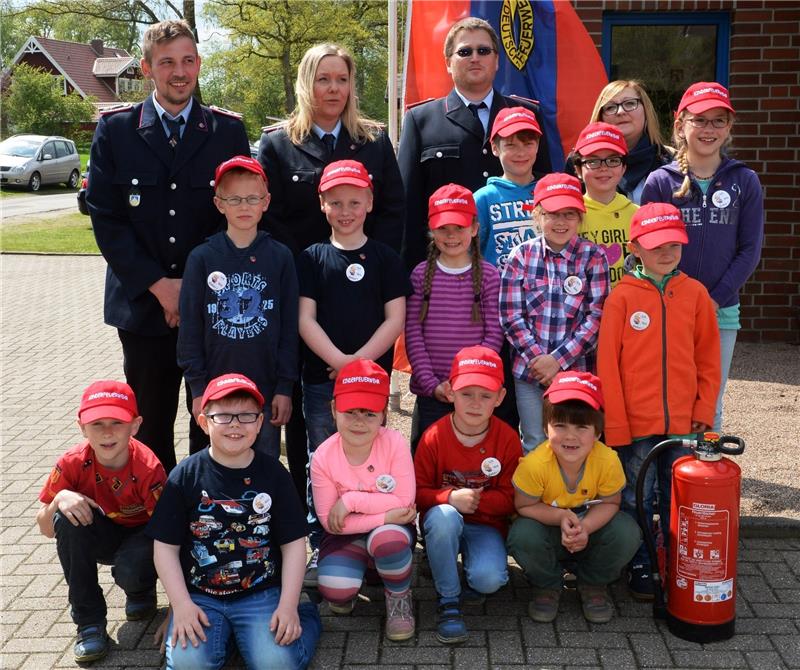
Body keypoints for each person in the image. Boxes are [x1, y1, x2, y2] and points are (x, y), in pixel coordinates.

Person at [87, 19, 250, 472]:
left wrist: (192, 288)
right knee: (152, 425)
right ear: (146, 69)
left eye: (188, 61)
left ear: (198, 64)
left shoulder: (226, 132)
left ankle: (208, 517)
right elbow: (108, 220)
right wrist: (160, 286)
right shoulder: (116, 131)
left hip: (215, 308)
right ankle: (158, 529)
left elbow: (239, 213)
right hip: (143, 308)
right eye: (167, 63)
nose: (180, 72)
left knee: (214, 420)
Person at [258, 42, 405, 502]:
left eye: (341, 79)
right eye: (324, 79)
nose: (333, 88)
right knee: (309, 412)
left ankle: (372, 498)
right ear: (307, 83)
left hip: (363, 293)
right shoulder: (280, 143)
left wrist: (369, 266)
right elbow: (270, 217)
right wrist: (307, 270)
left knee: (364, 411)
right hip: (303, 290)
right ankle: (314, 510)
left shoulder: (374, 140)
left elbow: (393, 212)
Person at [146, 374, 321, 670]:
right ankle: (230, 639)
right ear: (204, 422)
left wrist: (288, 606)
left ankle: (306, 614)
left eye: (246, 415)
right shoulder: (185, 476)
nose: (236, 424)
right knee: (189, 665)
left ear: (260, 422)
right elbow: (164, 548)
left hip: (260, 592)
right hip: (200, 596)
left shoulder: (274, 474)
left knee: (276, 664)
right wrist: (181, 606)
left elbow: (293, 545)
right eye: (223, 416)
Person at [597, 202, 721, 600]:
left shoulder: (696, 295)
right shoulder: (622, 297)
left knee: (676, 495)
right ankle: (640, 560)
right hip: (636, 425)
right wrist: (616, 422)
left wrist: (703, 411)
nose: (666, 252)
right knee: (636, 493)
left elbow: (708, 360)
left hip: (685, 425)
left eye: (674, 244)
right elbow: (608, 367)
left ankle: (675, 560)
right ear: (634, 247)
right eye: (656, 245)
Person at [297, 159, 411, 584]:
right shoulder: (310, 258)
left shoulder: (384, 258)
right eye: (336, 202)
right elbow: (304, 318)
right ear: (322, 204)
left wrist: (358, 364)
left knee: (371, 455)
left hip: (370, 383)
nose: (346, 211)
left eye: (354, 202)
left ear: (369, 202)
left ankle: (378, 527)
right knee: (322, 458)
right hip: (320, 381)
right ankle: (322, 540)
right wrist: (341, 364)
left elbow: (394, 319)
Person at [642, 82, 763, 432]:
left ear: (728, 128)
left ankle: (704, 482)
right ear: (681, 125)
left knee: (709, 403)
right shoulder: (660, 182)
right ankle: (669, 479)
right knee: (666, 396)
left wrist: (713, 299)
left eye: (718, 121)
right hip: (669, 308)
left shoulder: (745, 181)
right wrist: (681, 298)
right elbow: (650, 248)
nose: (708, 129)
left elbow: (749, 250)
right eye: (699, 120)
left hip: (720, 313)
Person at [398, 16, 550, 267]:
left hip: (520, 269)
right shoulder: (421, 120)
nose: (475, 57)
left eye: (483, 50)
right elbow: (408, 206)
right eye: (465, 51)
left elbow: (545, 187)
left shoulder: (527, 114)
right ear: (448, 62)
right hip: (445, 267)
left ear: (497, 60)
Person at [36, 381, 166, 664]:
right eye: (97, 424)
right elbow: (45, 528)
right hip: (102, 535)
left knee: (134, 563)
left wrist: (181, 606)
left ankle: (140, 589)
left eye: (117, 422)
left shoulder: (149, 467)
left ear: (135, 425)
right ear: (82, 427)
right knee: (65, 519)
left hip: (142, 536)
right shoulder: (71, 462)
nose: (107, 432)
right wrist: (60, 499)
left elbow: (170, 539)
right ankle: (89, 623)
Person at [177, 156, 298, 458]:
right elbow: (190, 327)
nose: (244, 206)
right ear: (219, 204)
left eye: (252, 198)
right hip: (215, 390)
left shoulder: (280, 257)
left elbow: (289, 327)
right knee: (217, 463)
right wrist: (197, 387)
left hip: (266, 388)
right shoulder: (202, 258)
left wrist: (285, 386)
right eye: (234, 199)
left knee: (264, 461)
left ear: (265, 202)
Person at [506, 372, 641, 624]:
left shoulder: (608, 460)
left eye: (581, 427)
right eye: (560, 426)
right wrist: (560, 516)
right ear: (546, 429)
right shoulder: (534, 464)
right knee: (522, 534)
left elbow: (612, 502)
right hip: (549, 531)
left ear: (598, 433)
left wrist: (586, 527)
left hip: (590, 531)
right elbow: (523, 505)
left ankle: (592, 584)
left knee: (627, 532)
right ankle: (546, 585)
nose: (570, 436)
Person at [414, 346, 522, 644]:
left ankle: (465, 571)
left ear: (500, 398)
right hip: (444, 521)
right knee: (445, 518)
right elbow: (417, 494)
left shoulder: (508, 439)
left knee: (490, 581)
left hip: (487, 524)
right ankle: (448, 600)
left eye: (485, 396)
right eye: (466, 394)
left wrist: (477, 501)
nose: (475, 404)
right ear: (450, 392)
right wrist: (449, 498)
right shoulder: (433, 437)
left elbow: (512, 498)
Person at [499, 173, 610, 453]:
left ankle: (576, 496)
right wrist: (540, 362)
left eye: (569, 214)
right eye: (552, 214)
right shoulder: (520, 256)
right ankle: (537, 498)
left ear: (580, 218)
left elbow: (596, 317)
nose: (561, 222)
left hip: (577, 371)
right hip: (529, 373)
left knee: (576, 442)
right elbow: (511, 316)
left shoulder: (594, 257)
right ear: (537, 215)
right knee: (536, 441)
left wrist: (557, 362)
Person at [310, 359, 417, 641]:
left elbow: (404, 502)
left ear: (384, 415)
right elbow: (331, 524)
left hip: (390, 531)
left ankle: (398, 596)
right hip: (349, 534)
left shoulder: (394, 443)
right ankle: (367, 570)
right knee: (335, 589)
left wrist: (350, 501)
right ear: (334, 410)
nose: (359, 421)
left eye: (370, 414)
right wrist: (383, 515)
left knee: (388, 540)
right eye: (350, 412)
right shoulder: (322, 456)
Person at [405, 184, 503, 452]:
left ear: (473, 229)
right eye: (443, 229)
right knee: (427, 456)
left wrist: (471, 379)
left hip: (474, 392)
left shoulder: (489, 275)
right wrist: (431, 384)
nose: (451, 236)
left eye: (459, 228)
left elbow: (494, 333)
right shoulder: (419, 274)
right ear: (431, 230)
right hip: (433, 391)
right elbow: (413, 333)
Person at [579, 79, 673, 204]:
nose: (620, 112)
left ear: (646, 110)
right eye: (611, 107)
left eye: (629, 104)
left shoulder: (670, 161)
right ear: (600, 116)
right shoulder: (580, 161)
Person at [570, 121, 638, 287]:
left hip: (631, 309)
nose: (603, 168)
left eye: (613, 160)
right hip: (585, 308)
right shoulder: (571, 216)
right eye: (593, 161)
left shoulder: (637, 215)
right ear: (578, 169)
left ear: (623, 167)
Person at [474, 106, 542, 270]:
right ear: (495, 148)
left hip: (544, 291)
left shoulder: (549, 193)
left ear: (538, 146)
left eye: (528, 144)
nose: (521, 153)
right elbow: (469, 252)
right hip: (498, 293)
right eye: (511, 145)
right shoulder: (482, 198)